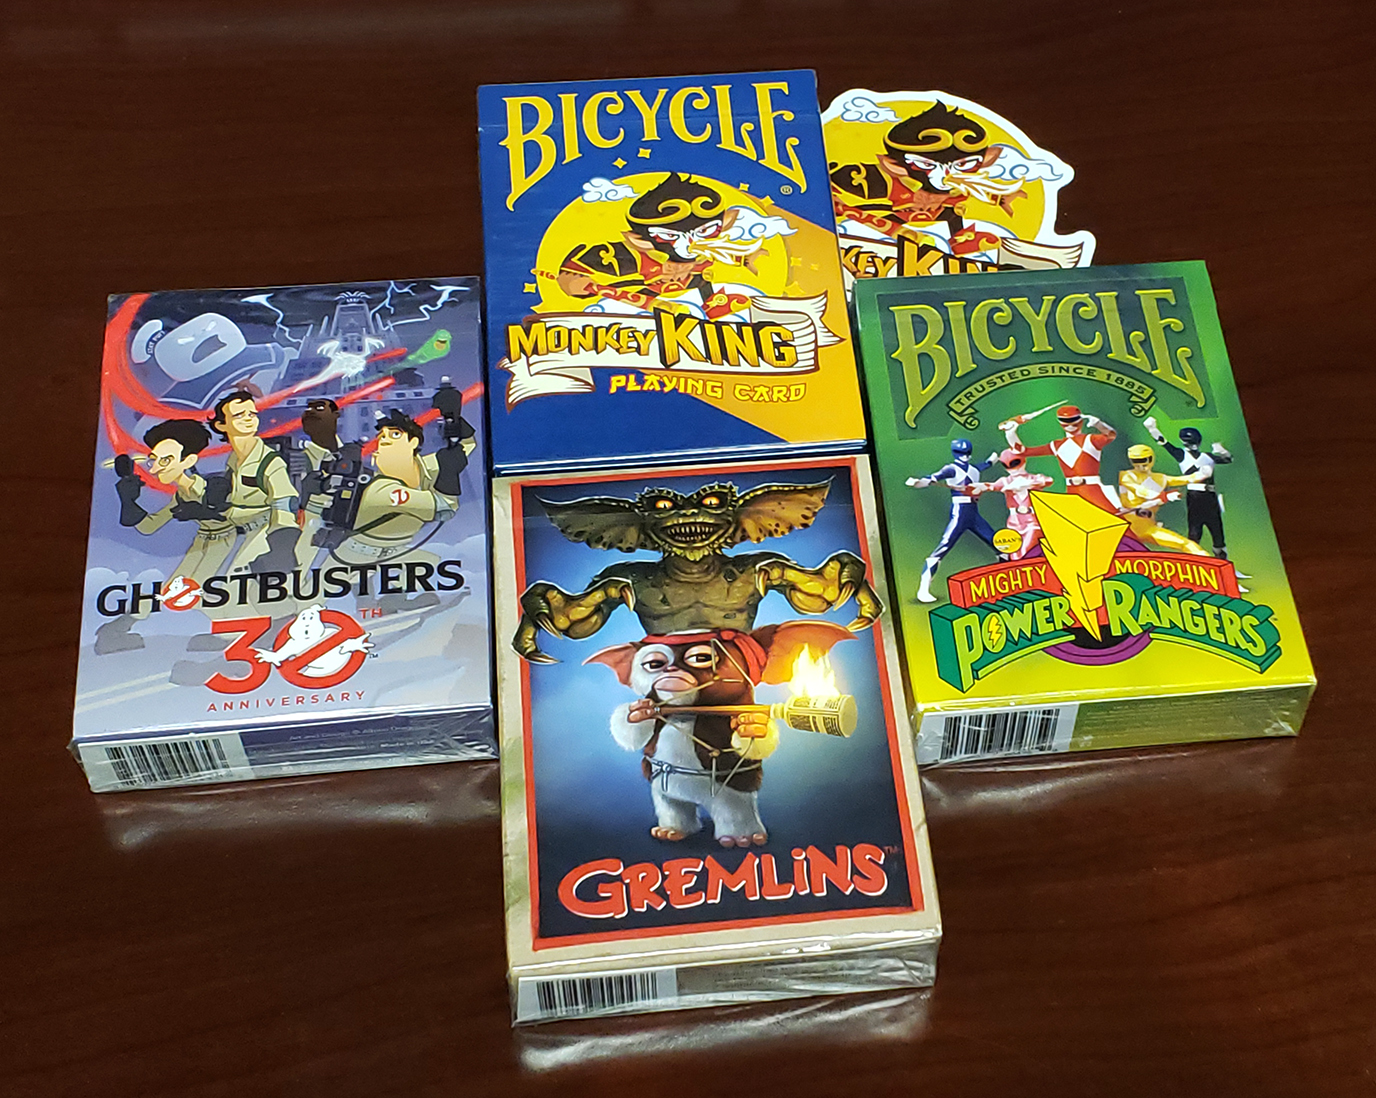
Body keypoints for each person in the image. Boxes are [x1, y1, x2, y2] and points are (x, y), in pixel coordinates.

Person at [96, 418, 236, 653]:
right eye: (153, 460)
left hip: (227, 541)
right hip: (203, 541)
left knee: (197, 588)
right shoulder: (181, 494)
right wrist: (129, 501)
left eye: (166, 460)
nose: (154, 468)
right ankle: (115, 630)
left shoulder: (214, 486)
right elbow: (149, 527)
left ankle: (231, 634)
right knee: (173, 590)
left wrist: (209, 511)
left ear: (188, 460)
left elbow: (242, 513)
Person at [906, 438, 1001, 602]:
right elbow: (933, 478)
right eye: (962, 453)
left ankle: (1009, 578)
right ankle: (923, 590)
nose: (965, 456)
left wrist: (993, 459)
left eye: (967, 453)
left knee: (998, 544)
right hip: (960, 513)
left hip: (973, 513)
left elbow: (985, 464)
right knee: (942, 548)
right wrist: (919, 482)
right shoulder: (951, 468)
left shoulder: (973, 469)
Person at [1143, 417, 1233, 559]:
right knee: (1195, 529)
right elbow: (1164, 443)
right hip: (1195, 495)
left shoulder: (1207, 456)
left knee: (1216, 529)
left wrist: (1221, 451)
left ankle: (1222, 560)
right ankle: (1194, 560)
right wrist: (1152, 429)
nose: (1192, 445)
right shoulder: (1182, 455)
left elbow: (1228, 459)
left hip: (1210, 496)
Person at [1002, 404, 1120, 512]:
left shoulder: (1091, 440)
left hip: (1093, 490)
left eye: (1073, 420)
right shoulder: (1056, 445)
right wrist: (1010, 433)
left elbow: (1111, 435)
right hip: (1072, 492)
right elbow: (1022, 451)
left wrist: (1098, 424)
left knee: (1112, 517)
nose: (1070, 425)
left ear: (1080, 420)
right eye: (1065, 421)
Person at [1116, 444, 1209, 555]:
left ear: (1151, 459)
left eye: (1143, 460)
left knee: (1186, 544)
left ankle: (1212, 565)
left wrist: (1203, 473)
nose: (1140, 464)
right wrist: (1164, 496)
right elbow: (1140, 490)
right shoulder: (1126, 476)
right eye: (1136, 461)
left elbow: (1186, 479)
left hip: (1148, 528)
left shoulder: (1160, 478)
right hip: (1126, 529)